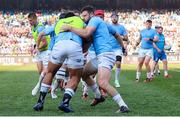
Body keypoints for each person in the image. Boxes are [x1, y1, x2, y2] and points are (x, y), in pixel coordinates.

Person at [62, 6, 130, 113]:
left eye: (85, 15)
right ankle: (99, 96)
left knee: (102, 83)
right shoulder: (104, 24)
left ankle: (123, 105)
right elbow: (116, 35)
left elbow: (86, 33)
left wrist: (70, 27)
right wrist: (122, 47)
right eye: (82, 16)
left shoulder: (94, 20)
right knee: (84, 74)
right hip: (100, 56)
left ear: (91, 14)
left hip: (106, 55)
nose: (83, 18)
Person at [33, 12, 85, 112]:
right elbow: (88, 34)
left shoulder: (59, 22)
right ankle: (65, 103)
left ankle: (40, 102)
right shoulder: (79, 21)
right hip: (74, 45)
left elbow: (42, 33)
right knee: (74, 77)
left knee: (50, 72)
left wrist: (37, 47)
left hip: (58, 45)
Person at [28, 12, 50, 96]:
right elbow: (37, 41)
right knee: (40, 71)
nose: (30, 22)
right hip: (39, 51)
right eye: (29, 21)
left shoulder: (40, 28)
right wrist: (34, 47)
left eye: (31, 20)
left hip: (45, 51)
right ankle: (48, 85)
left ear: (35, 19)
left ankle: (43, 86)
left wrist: (36, 49)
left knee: (45, 71)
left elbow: (44, 43)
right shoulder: (33, 27)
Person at [110, 12, 128, 87]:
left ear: (118, 18)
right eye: (113, 17)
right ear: (111, 18)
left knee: (118, 63)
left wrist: (119, 37)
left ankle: (116, 80)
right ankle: (106, 81)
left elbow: (126, 38)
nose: (114, 18)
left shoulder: (121, 27)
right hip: (109, 48)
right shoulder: (108, 26)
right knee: (108, 66)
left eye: (115, 17)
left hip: (118, 48)